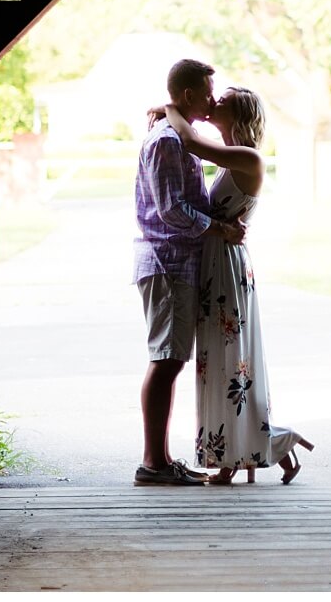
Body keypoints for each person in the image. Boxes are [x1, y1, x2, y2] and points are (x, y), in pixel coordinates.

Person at [152, 86, 314, 484]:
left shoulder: (246, 158)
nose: (211, 105)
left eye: (220, 103)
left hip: (226, 266)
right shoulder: (230, 160)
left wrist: (172, 106)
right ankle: (256, 447)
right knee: (216, 362)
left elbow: (189, 140)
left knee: (229, 361)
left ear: (237, 115)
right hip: (214, 263)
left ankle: (234, 460)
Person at [132, 58, 244, 486]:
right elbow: (171, 210)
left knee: (171, 359)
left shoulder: (180, 139)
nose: (214, 99)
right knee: (165, 360)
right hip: (167, 264)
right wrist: (220, 228)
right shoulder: (166, 142)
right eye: (209, 92)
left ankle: (160, 460)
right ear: (189, 96)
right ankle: (152, 464)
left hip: (176, 264)